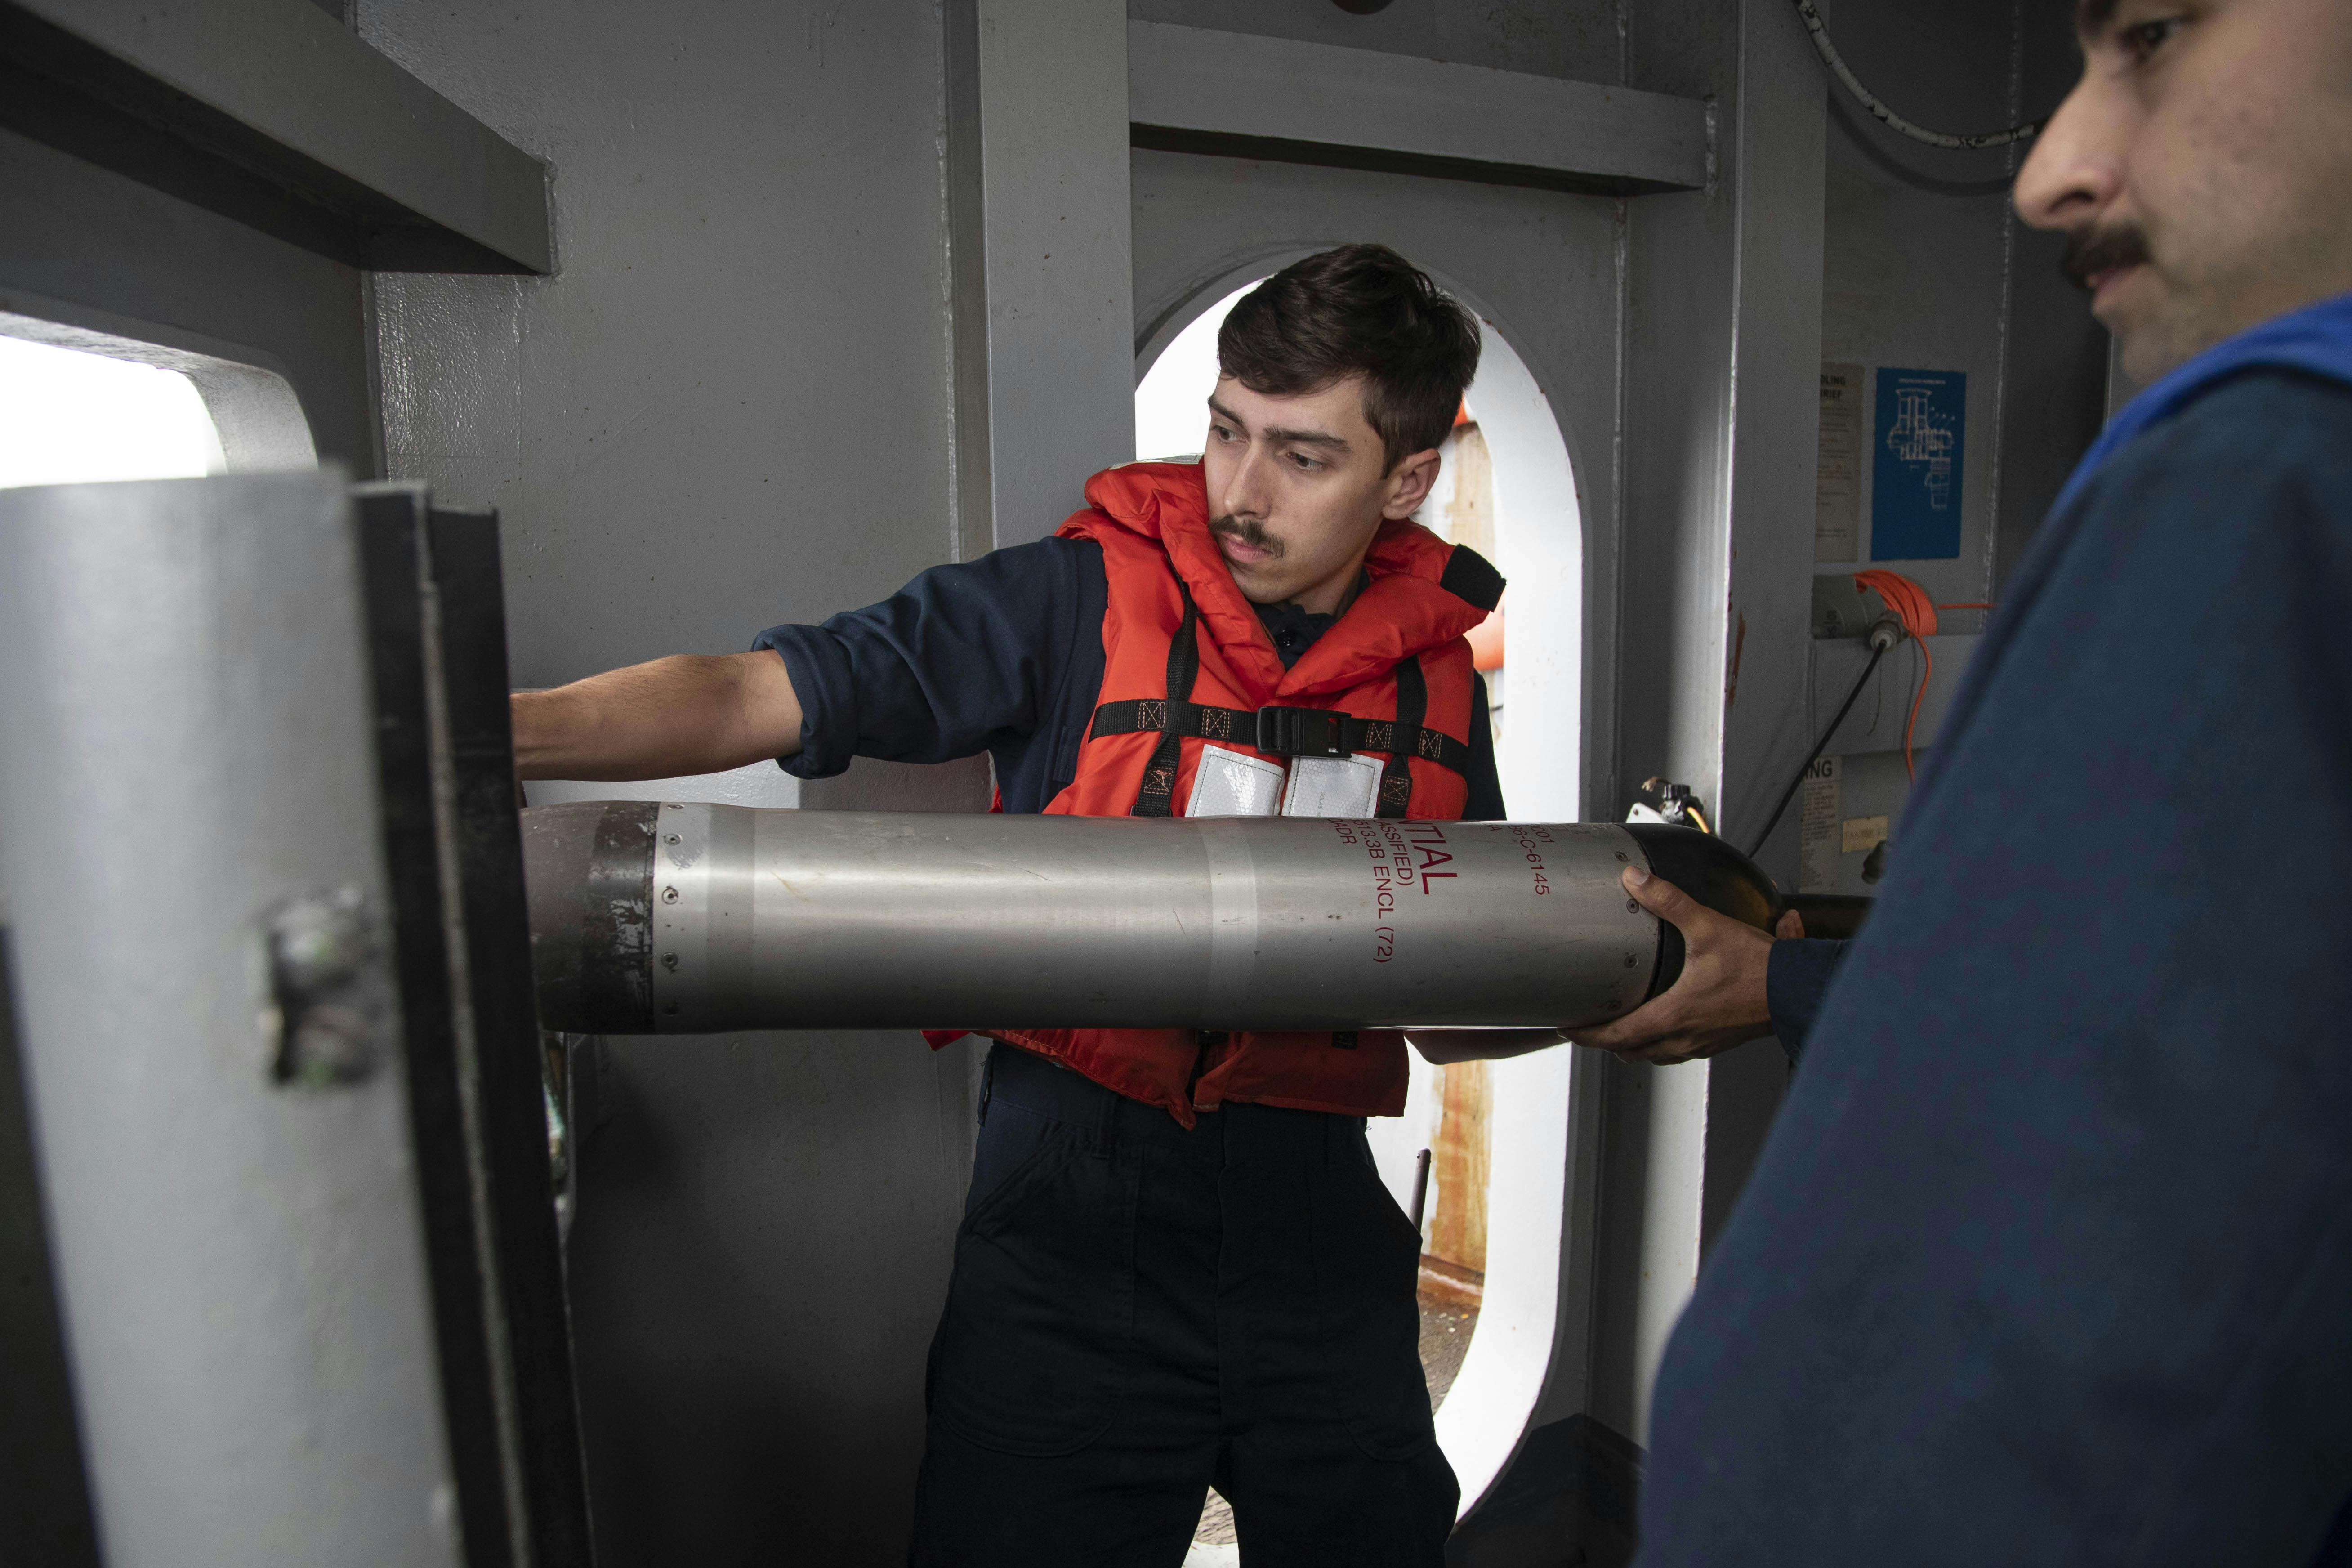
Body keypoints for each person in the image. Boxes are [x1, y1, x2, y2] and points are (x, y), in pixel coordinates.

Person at [513, 245, 1512, 1565]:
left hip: (1319, 1212)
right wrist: (479, 734)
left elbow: (1480, 980)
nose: (1241, 493)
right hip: (1076, 1197)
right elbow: (750, 694)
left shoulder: (1436, 682)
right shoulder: (1073, 600)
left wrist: (1654, 965)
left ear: (1409, 479)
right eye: (1226, 433)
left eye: (1303, 457)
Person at [1575, 0, 2352, 1561]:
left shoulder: (2265, 468)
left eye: (2152, 36)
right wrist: (1784, 990)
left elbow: (2010, 1346)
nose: (2051, 170)